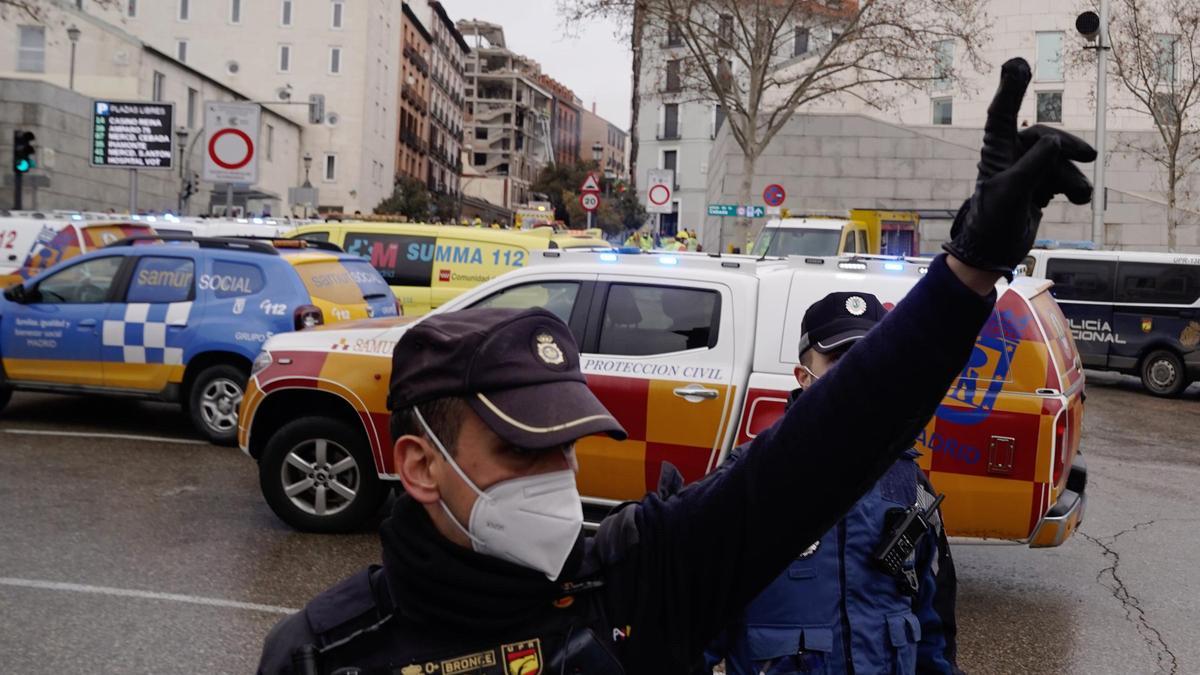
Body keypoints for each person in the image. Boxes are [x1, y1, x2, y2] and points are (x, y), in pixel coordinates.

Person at [257, 58, 1096, 674]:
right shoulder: (320, 653)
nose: (556, 477)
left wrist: (968, 272)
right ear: (419, 465)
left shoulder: (638, 578)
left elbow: (836, 437)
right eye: (521, 450)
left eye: (567, 445)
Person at [702, 291, 959, 675]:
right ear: (804, 377)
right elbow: (690, 639)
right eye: (839, 359)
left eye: (872, 355)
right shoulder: (751, 483)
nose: (859, 373)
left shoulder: (908, 484)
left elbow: (933, 631)